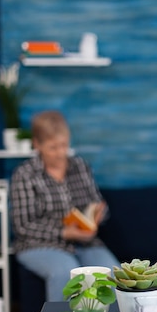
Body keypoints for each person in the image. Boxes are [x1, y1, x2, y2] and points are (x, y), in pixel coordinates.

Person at [11, 110, 119, 301]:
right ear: (37, 144)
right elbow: (23, 226)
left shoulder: (80, 166)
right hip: (38, 245)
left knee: (110, 272)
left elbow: (97, 203)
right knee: (65, 273)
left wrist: (97, 215)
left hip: (84, 242)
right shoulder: (25, 174)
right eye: (53, 148)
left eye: (64, 145)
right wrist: (63, 232)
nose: (61, 153)